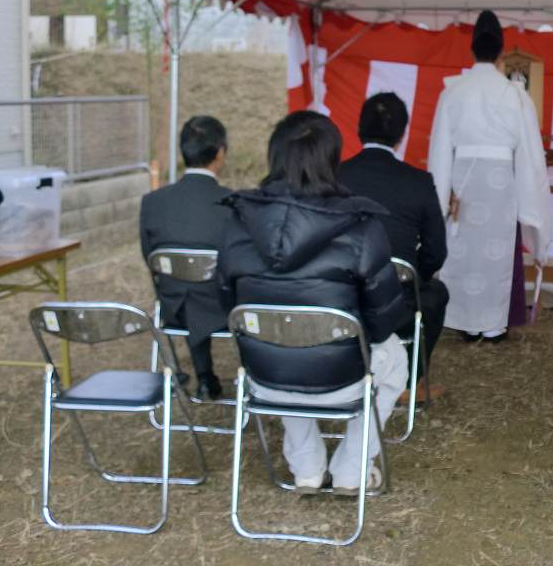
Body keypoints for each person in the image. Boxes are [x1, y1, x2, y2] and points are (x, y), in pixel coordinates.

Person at [218, 111, 409, 494]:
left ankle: (306, 469)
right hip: (343, 379)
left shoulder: (237, 222)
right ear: (333, 160)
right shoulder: (362, 225)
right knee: (396, 362)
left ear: (273, 156)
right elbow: (383, 318)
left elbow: (227, 305)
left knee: (281, 337)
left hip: (265, 377)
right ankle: (352, 470)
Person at [427, 10, 552, 342]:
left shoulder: (452, 91)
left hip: (462, 180)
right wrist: (531, 204)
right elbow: (529, 156)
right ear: (501, 52)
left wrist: (439, 198)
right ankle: (494, 325)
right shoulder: (514, 94)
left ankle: (466, 321)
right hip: (500, 182)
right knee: (496, 251)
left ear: (472, 49)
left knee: (464, 248)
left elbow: (438, 149)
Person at [342, 92, 449, 404]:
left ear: (359, 129)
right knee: (435, 294)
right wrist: (416, 278)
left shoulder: (334, 175)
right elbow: (435, 252)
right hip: (397, 298)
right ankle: (407, 382)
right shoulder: (418, 181)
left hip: (339, 296)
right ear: (402, 134)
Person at [140, 115, 231, 400]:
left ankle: (205, 378)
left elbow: (149, 255)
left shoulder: (153, 202)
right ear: (220, 152)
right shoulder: (231, 202)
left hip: (173, 307)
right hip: (225, 310)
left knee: (189, 288)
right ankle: (245, 376)